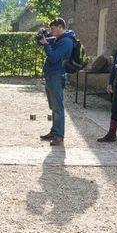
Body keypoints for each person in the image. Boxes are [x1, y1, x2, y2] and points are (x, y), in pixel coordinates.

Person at [38, 18, 75, 146]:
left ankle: (59, 136)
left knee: (58, 107)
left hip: (57, 76)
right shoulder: (59, 38)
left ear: (60, 27)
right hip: (51, 76)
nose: (51, 31)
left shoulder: (66, 41)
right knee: (54, 107)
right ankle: (54, 132)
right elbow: (42, 42)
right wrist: (43, 36)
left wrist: (46, 44)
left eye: (53, 29)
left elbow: (53, 57)